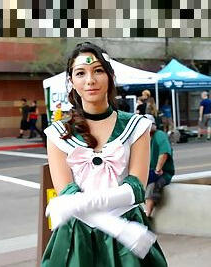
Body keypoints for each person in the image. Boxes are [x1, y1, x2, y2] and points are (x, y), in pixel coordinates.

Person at [42, 42, 167, 266]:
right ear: (72, 81)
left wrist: (121, 227)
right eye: (81, 73)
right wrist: (117, 228)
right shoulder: (57, 134)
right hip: (78, 237)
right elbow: (67, 195)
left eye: (98, 71)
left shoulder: (136, 126)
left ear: (109, 76)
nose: (90, 80)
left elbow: (136, 189)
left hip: (127, 235)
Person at [144, 114, 174, 218]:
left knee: (153, 185)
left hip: (163, 173)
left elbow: (164, 152)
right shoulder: (144, 139)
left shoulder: (159, 135)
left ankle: (147, 214)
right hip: (148, 173)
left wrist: (158, 169)